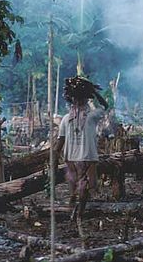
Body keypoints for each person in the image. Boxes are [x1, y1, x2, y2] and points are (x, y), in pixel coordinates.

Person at [54, 76, 110, 224]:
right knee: (85, 187)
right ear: (86, 100)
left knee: (74, 185)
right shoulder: (92, 117)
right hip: (86, 158)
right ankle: (79, 213)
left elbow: (60, 143)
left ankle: (73, 206)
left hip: (71, 159)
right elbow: (105, 106)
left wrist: (54, 160)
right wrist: (94, 93)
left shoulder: (66, 119)